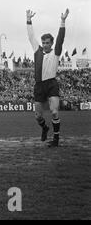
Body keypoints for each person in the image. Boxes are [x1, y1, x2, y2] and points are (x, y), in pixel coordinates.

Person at [26, 8, 68, 147]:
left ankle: (56, 139)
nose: (44, 45)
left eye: (47, 43)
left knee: (54, 111)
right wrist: (29, 20)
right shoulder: (37, 51)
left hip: (51, 84)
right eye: (43, 43)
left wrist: (62, 22)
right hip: (39, 86)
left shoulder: (56, 52)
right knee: (38, 116)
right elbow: (31, 37)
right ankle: (44, 128)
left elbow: (61, 39)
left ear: (51, 43)